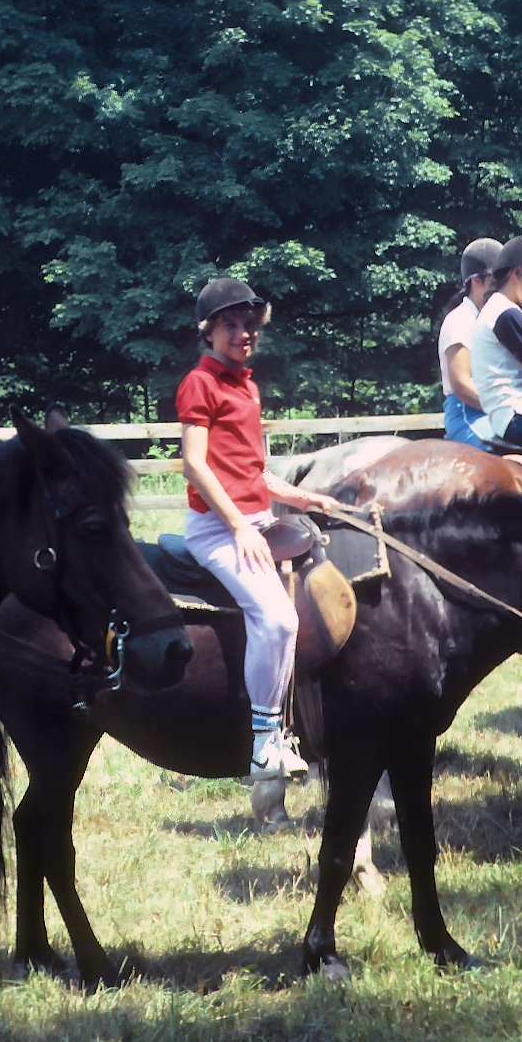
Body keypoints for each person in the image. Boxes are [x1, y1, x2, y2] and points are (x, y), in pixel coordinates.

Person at [175, 277, 338, 780]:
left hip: (257, 519)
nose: (243, 334)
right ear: (208, 331)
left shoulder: (246, 385)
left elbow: (253, 473)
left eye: (249, 325)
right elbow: (195, 465)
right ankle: (264, 743)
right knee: (278, 619)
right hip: (217, 529)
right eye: (230, 325)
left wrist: (303, 498)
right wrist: (239, 528)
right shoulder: (199, 383)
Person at [470, 234, 522, 447]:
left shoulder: (497, 308)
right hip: (521, 413)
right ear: (517, 273)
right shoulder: (505, 313)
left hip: (510, 415)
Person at [438, 238, 505, 447]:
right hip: (467, 413)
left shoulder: (491, 320)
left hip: (491, 409)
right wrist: (502, 407)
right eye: (497, 280)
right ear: (476, 281)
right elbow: (462, 385)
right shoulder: (460, 321)